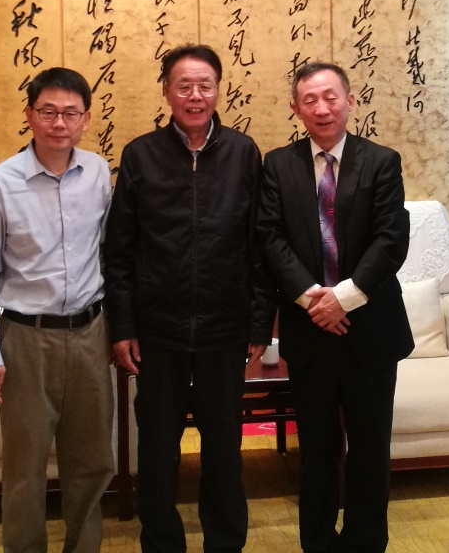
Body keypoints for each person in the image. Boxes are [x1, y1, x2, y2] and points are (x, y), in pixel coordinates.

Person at [103, 44, 274, 553]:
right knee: (158, 450)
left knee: (224, 447)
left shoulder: (243, 152)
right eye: (184, 86)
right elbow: (119, 251)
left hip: (225, 327)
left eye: (205, 85)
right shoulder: (140, 155)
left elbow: (259, 246)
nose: (195, 96)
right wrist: (122, 326)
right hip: (158, 330)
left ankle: (225, 543)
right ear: (166, 92)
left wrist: (258, 325)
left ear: (219, 91)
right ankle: (161, 544)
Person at [256, 62, 413, 553]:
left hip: (371, 331)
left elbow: (391, 240)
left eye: (330, 97)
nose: (321, 108)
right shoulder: (278, 165)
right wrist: (312, 299)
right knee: (317, 451)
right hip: (309, 332)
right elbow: (269, 237)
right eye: (310, 100)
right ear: (296, 108)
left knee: (370, 449)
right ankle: (318, 543)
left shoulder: (381, 161)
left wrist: (342, 298)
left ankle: (365, 543)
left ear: (349, 100)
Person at [0, 67, 115, 553]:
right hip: (26, 339)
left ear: (86, 119)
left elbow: (109, 251)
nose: (59, 123)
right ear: (30, 115)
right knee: (25, 467)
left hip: (90, 334)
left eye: (71, 113)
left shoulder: (98, 173)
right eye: (48, 111)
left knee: (92, 461)